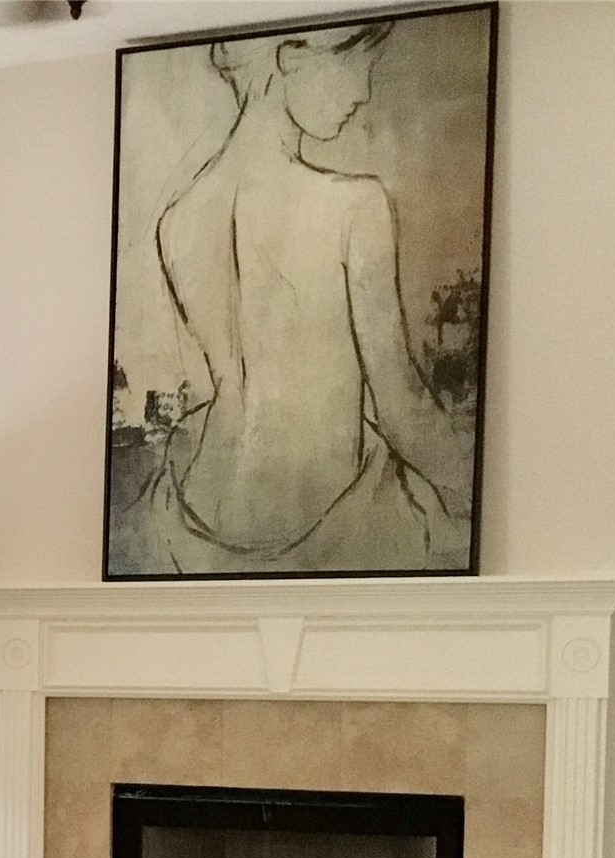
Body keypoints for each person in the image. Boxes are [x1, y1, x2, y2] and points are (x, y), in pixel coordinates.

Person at [132, 22, 474, 573]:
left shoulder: (178, 220)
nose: (363, 93)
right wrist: (480, 501)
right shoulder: (356, 206)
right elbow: (402, 408)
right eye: (358, 62)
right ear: (291, 57)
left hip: (191, 523)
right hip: (330, 523)